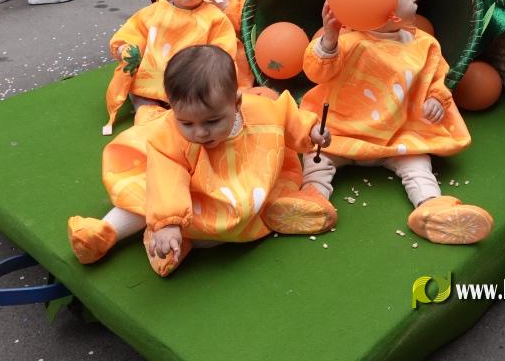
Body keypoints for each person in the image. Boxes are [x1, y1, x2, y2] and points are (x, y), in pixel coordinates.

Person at [265, 0, 494, 244]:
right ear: (385, 10)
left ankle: (431, 207)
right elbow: (317, 70)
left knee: (417, 163)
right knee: (316, 157)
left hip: (396, 137)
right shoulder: (347, 42)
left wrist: (437, 98)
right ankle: (311, 197)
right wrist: (329, 40)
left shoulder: (423, 45)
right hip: (341, 135)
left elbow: (437, 77)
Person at [68, 44, 332, 277]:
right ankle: (109, 231)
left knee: (247, 209)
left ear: (236, 103)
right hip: (191, 196)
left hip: (248, 183)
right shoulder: (171, 138)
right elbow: (166, 180)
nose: (200, 132)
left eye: (212, 121)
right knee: (143, 196)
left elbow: (286, 116)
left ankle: (190, 238)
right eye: (186, 122)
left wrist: (311, 130)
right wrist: (168, 221)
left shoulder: (260, 110)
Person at [102, 0, 236, 134]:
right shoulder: (154, 12)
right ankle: (147, 111)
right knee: (142, 99)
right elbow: (135, 30)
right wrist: (125, 47)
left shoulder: (215, 18)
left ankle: (183, 117)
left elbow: (224, 51)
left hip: (192, 85)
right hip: (151, 81)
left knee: (201, 103)